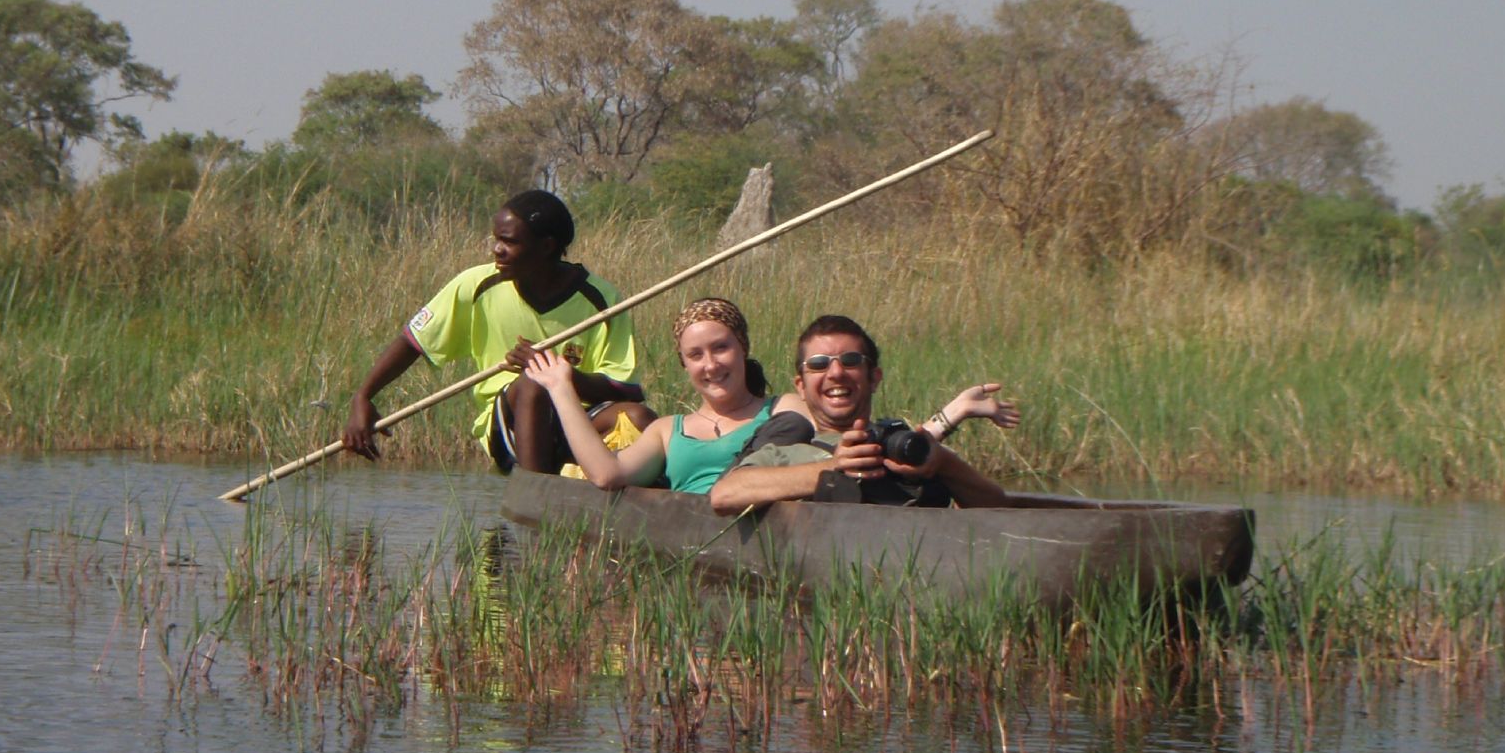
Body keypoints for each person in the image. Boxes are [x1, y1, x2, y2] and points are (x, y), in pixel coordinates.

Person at [342, 190, 650, 473]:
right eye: (496, 239)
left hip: (579, 421)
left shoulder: (601, 300)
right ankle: (534, 498)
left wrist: (558, 373)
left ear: (546, 247)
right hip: (510, 427)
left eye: (510, 242)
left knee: (638, 419)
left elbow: (627, 391)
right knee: (533, 385)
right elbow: (413, 341)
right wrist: (363, 396)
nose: (496, 250)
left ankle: (641, 504)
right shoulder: (476, 285)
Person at [709, 314, 1012, 516]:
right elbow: (723, 495)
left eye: (851, 361)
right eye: (819, 364)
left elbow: (1002, 515)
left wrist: (945, 464)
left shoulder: (907, 451)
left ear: (874, 377)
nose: (836, 373)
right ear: (801, 386)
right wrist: (833, 467)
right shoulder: (785, 455)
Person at [521, 297, 777, 495]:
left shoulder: (780, 409)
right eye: (696, 355)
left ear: (742, 347)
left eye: (721, 348)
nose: (710, 365)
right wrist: (561, 388)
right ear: (684, 364)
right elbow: (607, 474)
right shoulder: (666, 430)